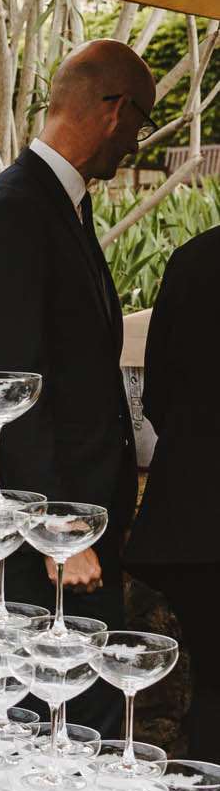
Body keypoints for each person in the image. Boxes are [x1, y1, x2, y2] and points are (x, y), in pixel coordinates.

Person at [0, 40, 154, 731]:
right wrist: (56, 528)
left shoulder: (57, 204)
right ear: (115, 111)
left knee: (80, 720)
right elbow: (5, 386)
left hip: (73, 525)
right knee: (50, 725)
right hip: (38, 539)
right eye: (141, 122)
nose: (136, 142)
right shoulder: (13, 209)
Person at [124, 224, 220, 761]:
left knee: (213, 688)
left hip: (195, 522)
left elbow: (156, 396)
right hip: (197, 523)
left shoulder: (194, 259)